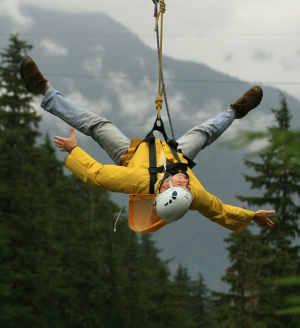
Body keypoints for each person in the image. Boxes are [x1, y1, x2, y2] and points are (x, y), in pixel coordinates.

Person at [20, 56, 275, 233]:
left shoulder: (137, 181)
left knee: (97, 125)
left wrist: (74, 150)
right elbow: (219, 211)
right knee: (205, 132)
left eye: (181, 184)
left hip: (132, 156)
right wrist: (251, 216)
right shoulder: (193, 196)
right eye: (186, 186)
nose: (186, 182)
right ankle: (236, 110)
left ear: (164, 187)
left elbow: (96, 175)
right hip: (178, 155)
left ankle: (44, 91)